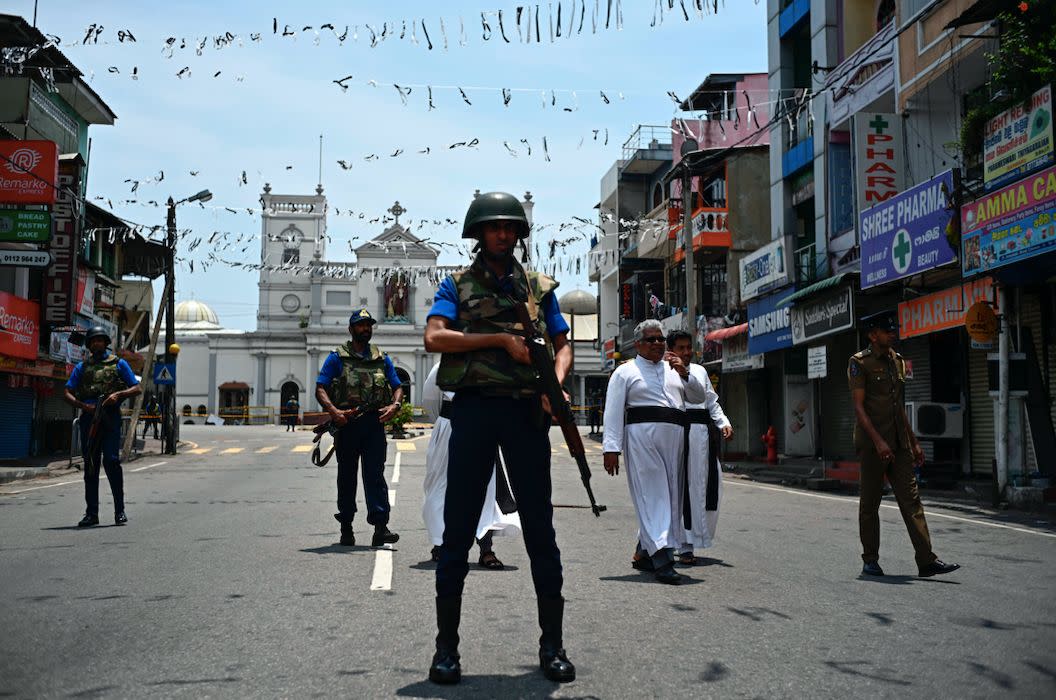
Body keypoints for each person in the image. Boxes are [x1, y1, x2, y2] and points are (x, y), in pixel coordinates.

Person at [423, 191, 575, 685]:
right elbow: (435, 338)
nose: (503, 235)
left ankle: (552, 646)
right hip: (473, 411)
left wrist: (557, 385)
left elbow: (562, 343)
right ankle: (447, 649)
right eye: (494, 228)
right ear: (478, 233)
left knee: (540, 530)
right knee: (457, 531)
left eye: (510, 228)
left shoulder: (537, 286)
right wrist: (497, 340)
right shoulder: (457, 285)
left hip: (526, 413)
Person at [849, 310, 960, 578]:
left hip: (898, 443)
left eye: (892, 330)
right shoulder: (859, 363)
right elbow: (859, 408)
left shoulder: (897, 362)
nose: (892, 334)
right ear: (873, 335)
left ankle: (926, 560)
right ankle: (870, 559)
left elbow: (898, 407)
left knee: (912, 501)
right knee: (870, 504)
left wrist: (914, 442)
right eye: (886, 330)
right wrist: (878, 442)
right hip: (872, 445)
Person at [601, 320, 710, 585]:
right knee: (653, 495)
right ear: (638, 344)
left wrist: (684, 372)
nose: (658, 344)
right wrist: (611, 448)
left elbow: (697, 397)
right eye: (651, 340)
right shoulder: (625, 372)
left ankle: (645, 553)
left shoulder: (675, 369)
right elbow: (613, 411)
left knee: (672, 496)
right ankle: (663, 559)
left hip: (675, 438)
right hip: (642, 438)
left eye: (661, 339)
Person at [316, 308, 403, 548]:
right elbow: (320, 387)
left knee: (375, 475)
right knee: (347, 477)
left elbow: (397, 386)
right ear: (351, 329)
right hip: (347, 424)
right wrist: (334, 412)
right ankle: (346, 526)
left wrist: (395, 405)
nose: (366, 328)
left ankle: (380, 527)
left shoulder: (381, 357)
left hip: (373, 424)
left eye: (368, 325)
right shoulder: (337, 357)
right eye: (361, 325)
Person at [421, 363, 521, 568]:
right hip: (449, 428)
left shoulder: (493, 366)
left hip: (483, 430)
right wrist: (447, 422)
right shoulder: (443, 366)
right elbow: (430, 401)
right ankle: (441, 545)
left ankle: (486, 549)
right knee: (440, 489)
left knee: (485, 492)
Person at [63, 326, 142, 527]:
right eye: (93, 341)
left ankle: (119, 511)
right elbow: (67, 392)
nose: (97, 343)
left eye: (100, 340)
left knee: (111, 461)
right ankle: (92, 514)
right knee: (90, 465)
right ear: (89, 345)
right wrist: (83, 406)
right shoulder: (82, 367)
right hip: (89, 418)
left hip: (110, 417)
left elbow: (136, 388)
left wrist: (119, 395)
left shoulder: (118, 364)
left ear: (106, 343)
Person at [667, 330, 732, 564]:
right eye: (680, 348)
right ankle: (682, 544)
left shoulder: (700, 371)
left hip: (703, 438)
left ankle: (695, 538)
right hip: (677, 434)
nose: (686, 352)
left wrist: (723, 422)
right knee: (680, 488)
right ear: (671, 349)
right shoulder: (664, 372)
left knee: (706, 487)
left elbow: (711, 401)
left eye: (688, 348)